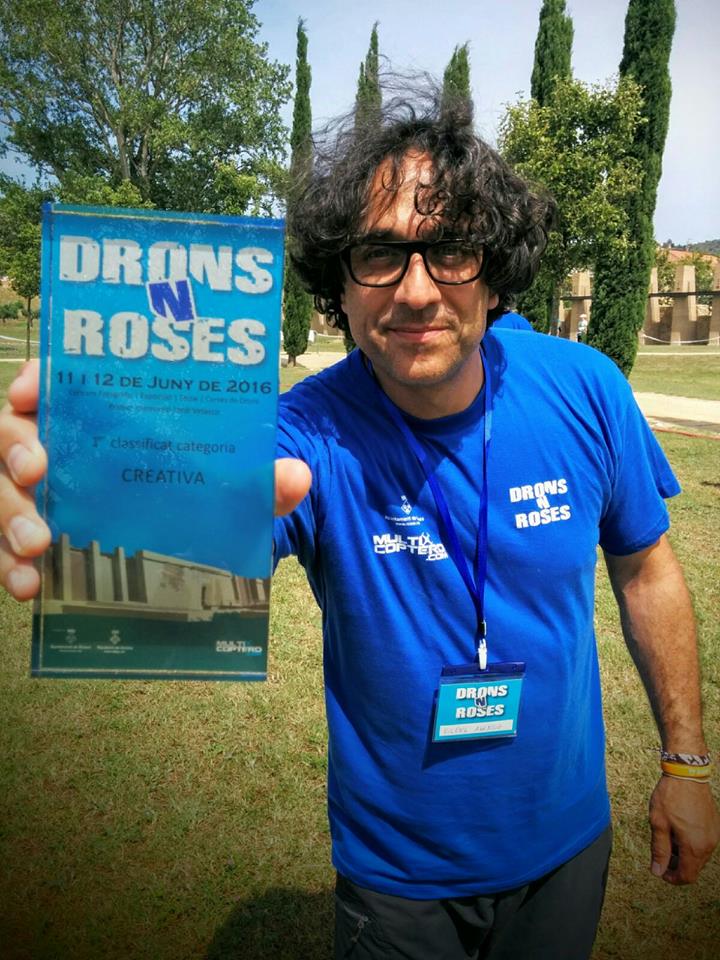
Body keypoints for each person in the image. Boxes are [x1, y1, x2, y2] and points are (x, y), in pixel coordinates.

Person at [1, 92, 718, 960]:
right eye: (379, 254)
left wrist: (685, 762)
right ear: (339, 285)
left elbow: (646, 571)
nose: (416, 291)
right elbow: (187, 528)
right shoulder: (307, 434)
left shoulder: (585, 389)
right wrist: (77, 496)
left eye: (450, 249)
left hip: (567, 842)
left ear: (494, 270)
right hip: (398, 879)